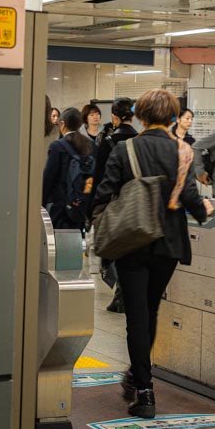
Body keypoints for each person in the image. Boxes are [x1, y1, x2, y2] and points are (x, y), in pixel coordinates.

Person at [92, 89, 212, 418]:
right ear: (172, 117)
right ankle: (137, 374)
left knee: (136, 317)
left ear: (141, 115)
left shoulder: (124, 149)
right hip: (168, 244)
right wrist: (204, 209)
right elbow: (191, 199)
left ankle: (144, 391)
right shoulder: (181, 150)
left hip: (131, 241)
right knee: (151, 309)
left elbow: (104, 193)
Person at [95, 97, 137, 314]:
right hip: (136, 203)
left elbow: (100, 176)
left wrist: (95, 208)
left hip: (114, 202)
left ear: (114, 116)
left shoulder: (108, 142)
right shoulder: (139, 140)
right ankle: (126, 293)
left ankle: (121, 293)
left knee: (114, 249)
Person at [42, 108, 97, 231]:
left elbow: (48, 179)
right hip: (81, 207)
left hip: (60, 209)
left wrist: (41, 204)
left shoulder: (57, 146)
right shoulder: (91, 145)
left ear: (62, 124)